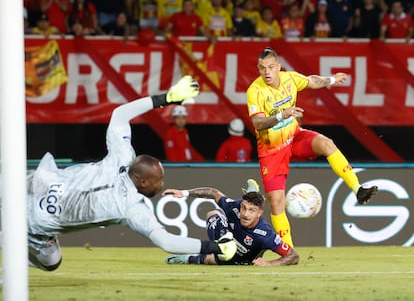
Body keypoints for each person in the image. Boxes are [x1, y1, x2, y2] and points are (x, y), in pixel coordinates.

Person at [24, 75, 237, 271]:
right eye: (158, 180)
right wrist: (215, 247)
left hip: (39, 181)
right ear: (142, 182)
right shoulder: (131, 207)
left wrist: (167, 97)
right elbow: (167, 241)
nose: (161, 184)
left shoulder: (122, 157)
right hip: (33, 220)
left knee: (53, 262)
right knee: (42, 255)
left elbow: (119, 114)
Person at [245, 47, 378, 247]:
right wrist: (283, 114)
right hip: (271, 151)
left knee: (327, 144)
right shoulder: (254, 91)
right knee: (276, 202)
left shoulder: (290, 79)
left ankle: (357, 188)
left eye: (271, 67)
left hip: (295, 137)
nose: (267, 72)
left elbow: (312, 80)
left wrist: (332, 80)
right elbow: (258, 124)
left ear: (278, 67)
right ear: (258, 69)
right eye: (262, 68)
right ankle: (288, 250)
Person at [164, 179, 300, 266]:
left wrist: (269, 264)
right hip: (225, 249)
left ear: (260, 213)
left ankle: (187, 259)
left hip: (242, 261)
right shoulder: (235, 207)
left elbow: (293, 256)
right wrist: (184, 193)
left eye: (252, 210)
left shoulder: (265, 234)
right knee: (213, 215)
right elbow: (213, 193)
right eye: (244, 208)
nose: (246, 214)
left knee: (212, 260)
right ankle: (223, 245)